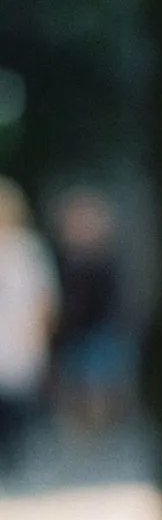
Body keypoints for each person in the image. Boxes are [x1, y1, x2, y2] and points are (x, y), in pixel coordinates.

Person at [50, 189, 134, 432]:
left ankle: (97, 430)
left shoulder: (103, 260)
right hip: (73, 332)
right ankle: (79, 429)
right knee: (74, 386)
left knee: (99, 386)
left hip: (98, 330)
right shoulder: (64, 258)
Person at [0, 179, 58, 471]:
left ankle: (15, 459)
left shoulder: (29, 251)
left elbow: (43, 299)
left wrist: (41, 334)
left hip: (19, 340)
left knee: (18, 406)